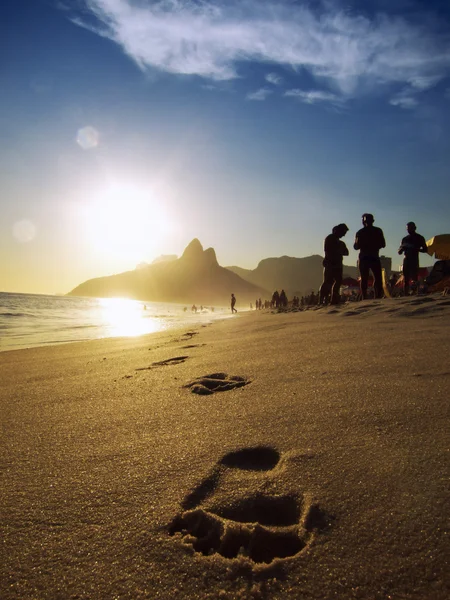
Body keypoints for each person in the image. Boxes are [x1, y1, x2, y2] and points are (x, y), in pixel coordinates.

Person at [354, 214, 386, 299]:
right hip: (372, 256)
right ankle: (375, 296)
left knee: (366, 278)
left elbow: (356, 246)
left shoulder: (360, 232)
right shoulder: (377, 231)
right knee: (375, 278)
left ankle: (366, 296)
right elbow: (383, 244)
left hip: (366, 257)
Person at [319, 223, 349, 305]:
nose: (344, 235)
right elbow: (329, 250)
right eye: (343, 232)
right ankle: (322, 299)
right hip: (330, 263)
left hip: (337, 264)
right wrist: (339, 250)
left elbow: (346, 252)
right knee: (327, 281)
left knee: (338, 281)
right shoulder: (330, 238)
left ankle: (334, 299)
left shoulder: (340, 242)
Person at [398, 222, 427, 295]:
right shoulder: (405, 239)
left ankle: (414, 292)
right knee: (406, 278)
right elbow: (399, 251)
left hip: (414, 259)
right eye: (407, 229)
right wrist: (402, 249)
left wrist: (416, 249)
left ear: (415, 228)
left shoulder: (419, 238)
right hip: (406, 259)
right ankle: (406, 294)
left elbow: (425, 249)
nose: (409, 230)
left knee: (414, 277)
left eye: (410, 228)